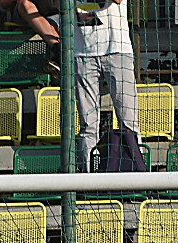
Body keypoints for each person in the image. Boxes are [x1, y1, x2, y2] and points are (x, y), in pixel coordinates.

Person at [71, 0, 136, 168]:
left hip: (117, 49)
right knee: (88, 124)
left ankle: (135, 172)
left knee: (128, 121)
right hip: (82, 51)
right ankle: (89, 173)